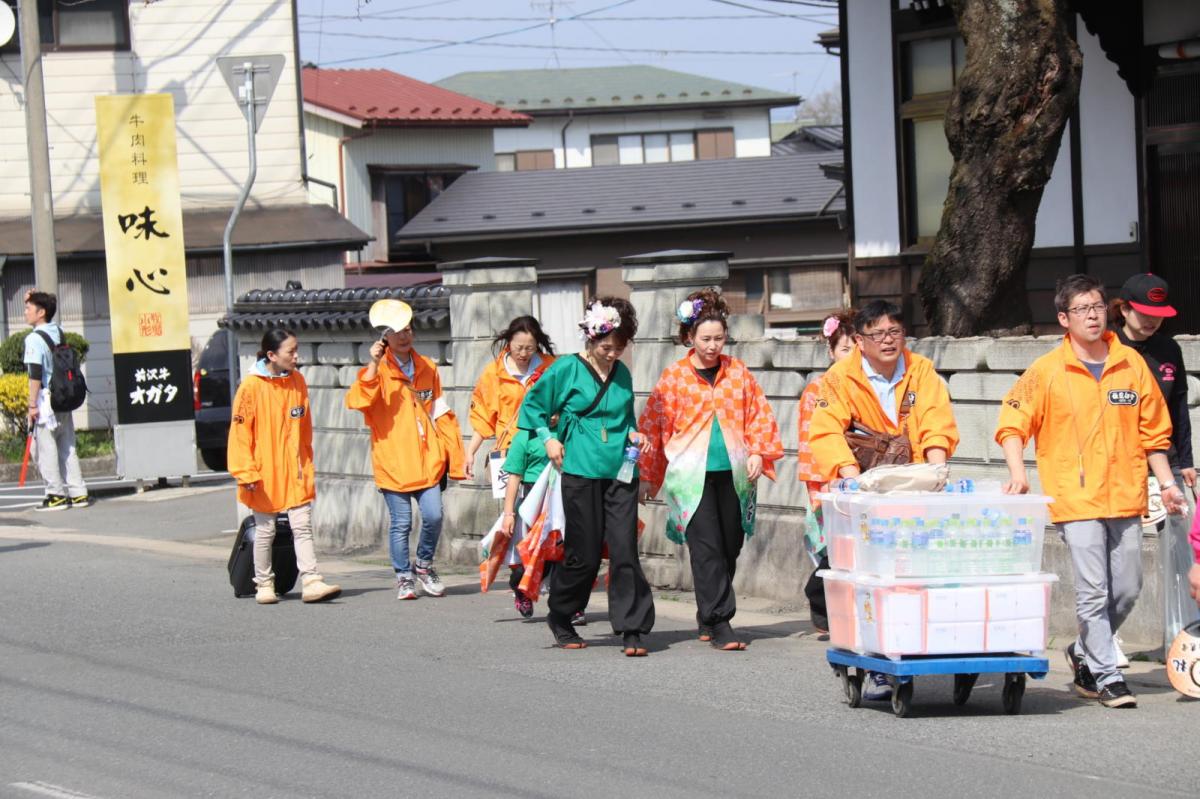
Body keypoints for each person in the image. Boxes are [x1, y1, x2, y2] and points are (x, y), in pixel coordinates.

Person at [996, 274, 1185, 709]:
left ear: (1109, 310)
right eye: (1081, 309)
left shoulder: (1132, 365)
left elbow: (1154, 432)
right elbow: (1012, 421)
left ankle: (1083, 650)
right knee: (1094, 590)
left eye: (1098, 306)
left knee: (1129, 587)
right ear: (1064, 318)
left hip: (1125, 492)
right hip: (1074, 497)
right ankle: (1107, 674)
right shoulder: (1046, 370)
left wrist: (1168, 483)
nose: (1092, 315)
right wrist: (1017, 471)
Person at [807, 299, 960, 700]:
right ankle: (875, 656)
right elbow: (825, 431)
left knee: (914, 571)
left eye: (895, 332)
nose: (889, 341)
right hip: (865, 486)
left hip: (910, 482)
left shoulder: (921, 369)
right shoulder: (839, 378)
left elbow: (935, 419)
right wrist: (850, 477)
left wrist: (937, 469)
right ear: (859, 341)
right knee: (871, 576)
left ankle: (910, 643)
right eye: (878, 335)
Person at [638, 288, 783, 651]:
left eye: (719, 338)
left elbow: (759, 414)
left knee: (730, 544)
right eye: (705, 338)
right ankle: (720, 621)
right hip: (690, 475)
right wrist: (646, 475)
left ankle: (708, 612)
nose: (713, 345)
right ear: (689, 337)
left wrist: (758, 452)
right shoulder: (673, 377)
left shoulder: (738, 373)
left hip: (734, 472)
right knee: (706, 547)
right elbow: (653, 427)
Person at [517, 297, 655, 655]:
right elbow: (532, 406)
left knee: (625, 550)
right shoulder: (566, 369)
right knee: (585, 554)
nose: (613, 354)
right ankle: (561, 614)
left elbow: (625, 419)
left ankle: (632, 627)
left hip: (621, 471)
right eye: (607, 347)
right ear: (591, 340)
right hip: (580, 470)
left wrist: (635, 434)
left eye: (619, 349)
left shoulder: (622, 374)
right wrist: (548, 439)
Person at [346, 301, 465, 601]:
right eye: (397, 332)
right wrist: (373, 364)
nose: (404, 336)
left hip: (428, 458)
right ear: (385, 337)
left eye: (408, 330)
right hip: (393, 460)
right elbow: (359, 401)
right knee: (401, 523)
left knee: (434, 516)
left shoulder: (428, 367)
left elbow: (441, 412)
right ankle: (403, 576)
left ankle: (423, 565)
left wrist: (456, 455)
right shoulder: (376, 371)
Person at [1111, 273, 1200, 652]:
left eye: (1158, 315)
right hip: (1116, 465)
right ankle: (1105, 637)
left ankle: (1181, 638)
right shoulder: (1106, 347)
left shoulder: (1168, 349)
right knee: (1116, 555)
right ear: (1125, 308)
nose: (1151, 321)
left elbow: (1178, 407)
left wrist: (1187, 461)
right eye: (1144, 312)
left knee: (1183, 552)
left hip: (1166, 465)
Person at [227, 329, 341, 604]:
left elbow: (304, 428)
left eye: (296, 349)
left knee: (302, 525)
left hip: (296, 468)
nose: (296, 356)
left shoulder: (297, 381)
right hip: (263, 471)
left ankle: (311, 579)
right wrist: (245, 472)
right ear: (271, 355)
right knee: (265, 530)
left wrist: (306, 461)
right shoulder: (251, 387)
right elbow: (240, 433)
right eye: (290, 351)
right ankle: (264, 583)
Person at [797, 311, 857, 634]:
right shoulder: (816, 390)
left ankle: (840, 611)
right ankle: (820, 600)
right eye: (845, 349)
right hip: (827, 482)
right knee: (830, 548)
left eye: (856, 349)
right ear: (831, 352)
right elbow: (810, 443)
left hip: (859, 477)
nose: (851, 356)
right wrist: (816, 487)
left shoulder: (866, 386)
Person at [464, 316, 556, 481]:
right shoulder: (493, 373)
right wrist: (470, 452)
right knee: (512, 505)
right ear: (508, 342)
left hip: (544, 448)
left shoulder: (551, 367)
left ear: (537, 345)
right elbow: (484, 418)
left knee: (544, 505)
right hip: (511, 449)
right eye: (518, 347)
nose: (523, 353)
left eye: (530, 348)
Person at [23, 290, 89, 511]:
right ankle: (78, 493)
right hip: (63, 396)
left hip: (45, 401)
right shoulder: (58, 331)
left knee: (46, 448)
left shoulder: (33, 339)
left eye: (28, 308)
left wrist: (32, 405)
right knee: (67, 445)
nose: (25, 312)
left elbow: (34, 373)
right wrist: (32, 297)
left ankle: (55, 495)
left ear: (40, 312)